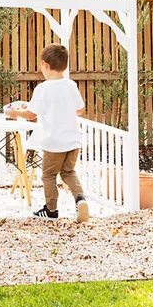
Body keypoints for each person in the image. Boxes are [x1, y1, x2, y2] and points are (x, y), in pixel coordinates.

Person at [6, 44, 90, 223]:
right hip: (73, 140)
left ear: (44, 64)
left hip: (54, 142)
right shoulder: (71, 85)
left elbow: (31, 115)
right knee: (68, 172)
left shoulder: (42, 89)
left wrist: (15, 113)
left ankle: (51, 210)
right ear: (65, 66)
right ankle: (81, 199)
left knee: (49, 175)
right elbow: (80, 109)